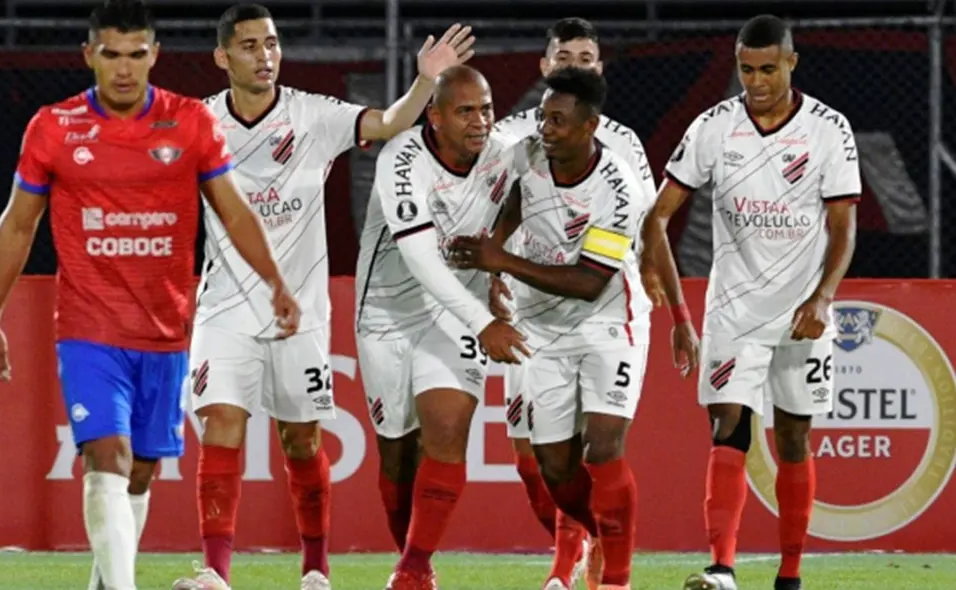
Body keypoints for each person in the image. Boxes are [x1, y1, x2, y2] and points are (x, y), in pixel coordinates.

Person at [0, 2, 298, 590]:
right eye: (111, 55)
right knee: (108, 461)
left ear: (155, 55)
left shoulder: (191, 123)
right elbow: (18, 223)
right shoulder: (54, 126)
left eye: (136, 54)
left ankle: (104, 582)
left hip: (166, 330)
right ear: (89, 56)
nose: (124, 69)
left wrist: (274, 281)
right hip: (88, 329)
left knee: (140, 474)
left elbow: (232, 209)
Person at [166, 5, 476, 590]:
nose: (265, 55)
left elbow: (387, 124)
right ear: (222, 56)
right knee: (220, 426)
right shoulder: (200, 123)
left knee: (301, 438)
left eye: (273, 44)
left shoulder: (311, 114)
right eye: (251, 45)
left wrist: (426, 80)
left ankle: (315, 568)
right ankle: (215, 571)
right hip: (226, 305)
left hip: (301, 311)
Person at [640, 15, 860, 590]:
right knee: (728, 426)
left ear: (791, 62)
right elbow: (658, 217)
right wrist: (677, 311)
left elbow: (843, 226)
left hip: (802, 312)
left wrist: (824, 296)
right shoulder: (714, 127)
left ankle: (789, 575)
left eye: (767, 68)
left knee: (792, 435)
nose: (755, 81)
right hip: (734, 308)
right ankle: (723, 568)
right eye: (745, 69)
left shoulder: (828, 130)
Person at [450, 66, 656, 590]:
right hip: (540, 327)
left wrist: (503, 260)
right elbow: (510, 208)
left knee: (603, 448)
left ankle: (618, 581)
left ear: (591, 126)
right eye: (543, 117)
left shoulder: (619, 188)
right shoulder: (531, 161)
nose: (546, 128)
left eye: (559, 121)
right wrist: (494, 266)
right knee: (556, 471)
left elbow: (589, 282)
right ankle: (600, 536)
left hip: (608, 320)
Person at [355, 64, 530, 590]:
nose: (481, 122)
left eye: (487, 108)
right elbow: (421, 258)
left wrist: (499, 258)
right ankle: (413, 560)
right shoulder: (401, 159)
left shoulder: (507, 148)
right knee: (396, 454)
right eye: (465, 111)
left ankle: (411, 571)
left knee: (448, 431)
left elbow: (552, 172)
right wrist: (485, 323)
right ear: (434, 117)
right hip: (385, 314)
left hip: (456, 312)